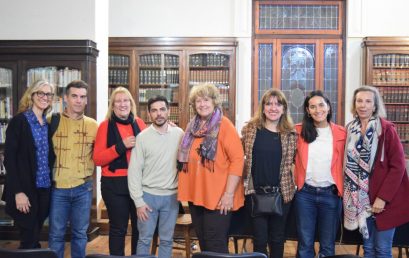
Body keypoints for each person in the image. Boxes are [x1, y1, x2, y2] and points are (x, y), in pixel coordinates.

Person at [177, 83, 244, 253]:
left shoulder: (225, 126)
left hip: (220, 197)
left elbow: (238, 161)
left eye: (206, 100)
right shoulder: (191, 128)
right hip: (197, 196)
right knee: (204, 243)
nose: (202, 104)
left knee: (215, 244)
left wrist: (229, 194)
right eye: (198, 101)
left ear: (214, 102)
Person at [344, 85, 409, 258]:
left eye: (368, 101)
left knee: (382, 249)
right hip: (361, 200)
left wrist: (383, 198)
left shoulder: (387, 129)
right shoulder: (350, 129)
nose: (363, 105)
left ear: (375, 106)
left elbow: (398, 166)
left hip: (385, 201)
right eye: (359, 101)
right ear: (354, 104)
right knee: (369, 249)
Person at [241, 89, 296, 258]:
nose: (273, 108)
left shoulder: (291, 135)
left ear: (284, 108)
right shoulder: (249, 130)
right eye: (269, 103)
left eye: (278, 104)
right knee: (259, 240)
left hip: (281, 194)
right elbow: (238, 157)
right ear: (263, 108)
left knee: (278, 239)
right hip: (255, 193)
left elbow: (295, 163)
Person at [128, 95, 184, 258]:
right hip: (147, 198)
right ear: (149, 114)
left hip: (171, 197)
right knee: (144, 239)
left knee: (167, 240)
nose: (158, 114)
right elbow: (134, 172)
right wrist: (138, 202)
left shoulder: (179, 134)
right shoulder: (143, 137)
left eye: (162, 109)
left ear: (168, 111)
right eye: (154, 110)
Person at [48, 80, 98, 258]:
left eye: (82, 97)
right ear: (65, 99)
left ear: (86, 100)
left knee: (79, 234)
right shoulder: (51, 121)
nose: (78, 100)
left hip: (83, 188)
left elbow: (103, 151)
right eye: (74, 96)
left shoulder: (94, 125)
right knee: (56, 234)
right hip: (57, 188)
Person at [93, 87, 146, 255]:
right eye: (118, 101)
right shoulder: (105, 126)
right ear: (112, 105)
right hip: (114, 185)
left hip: (138, 183)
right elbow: (98, 159)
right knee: (118, 229)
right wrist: (121, 146)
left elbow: (151, 149)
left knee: (140, 228)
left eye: (126, 100)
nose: (123, 104)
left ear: (131, 103)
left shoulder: (139, 123)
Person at [2, 80, 55, 248]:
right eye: (40, 93)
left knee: (34, 234)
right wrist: (18, 192)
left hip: (44, 188)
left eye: (48, 94)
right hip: (25, 190)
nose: (44, 97)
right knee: (29, 237)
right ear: (31, 95)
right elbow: (9, 159)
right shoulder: (19, 122)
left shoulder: (47, 124)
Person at [293, 90, 346, 258]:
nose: (318, 110)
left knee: (328, 246)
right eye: (312, 107)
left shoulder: (342, 133)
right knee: (305, 244)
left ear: (329, 107)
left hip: (330, 195)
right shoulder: (298, 132)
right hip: (305, 195)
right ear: (308, 111)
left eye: (321, 105)